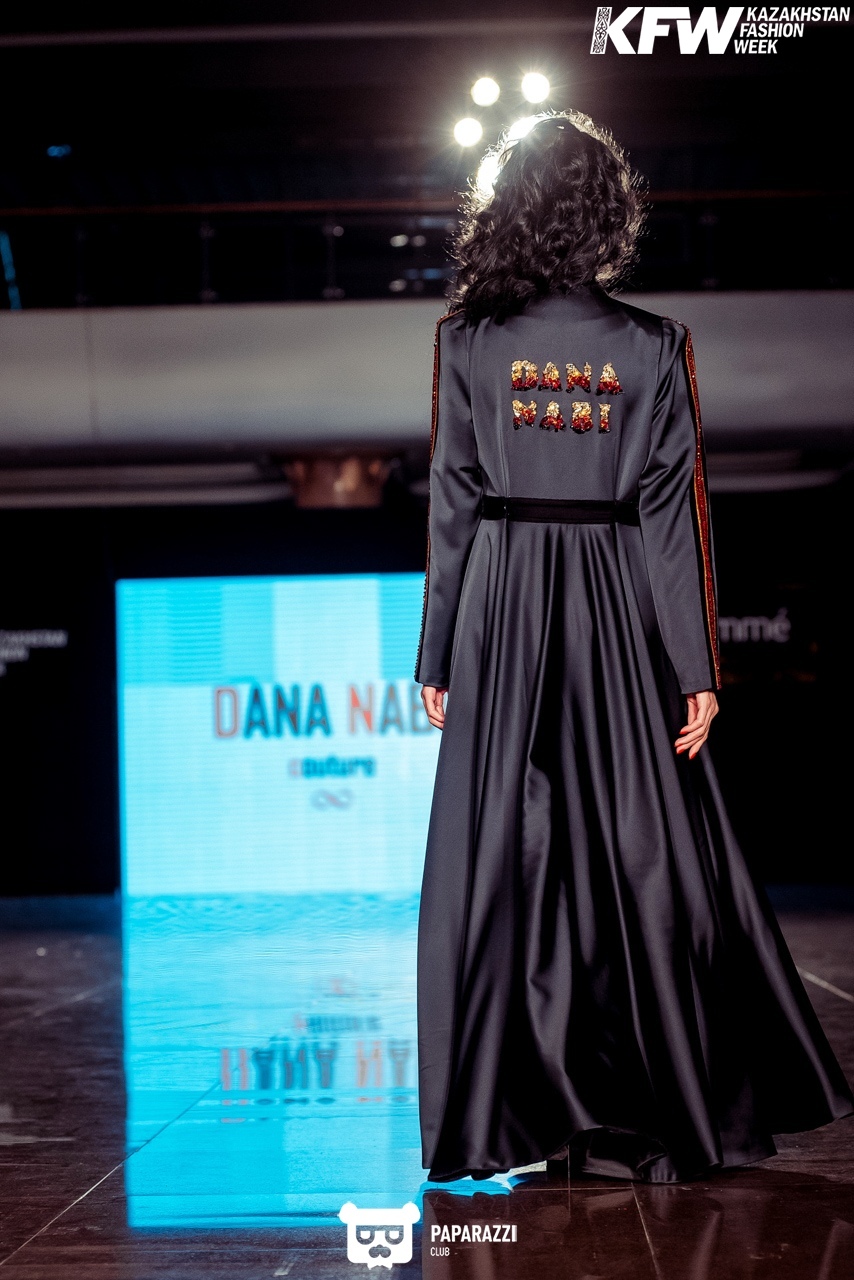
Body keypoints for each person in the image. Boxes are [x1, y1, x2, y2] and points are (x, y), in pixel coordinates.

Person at [414, 111, 852, 1184]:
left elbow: (452, 504)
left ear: (506, 209)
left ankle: (521, 1108)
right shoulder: (654, 347)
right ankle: (651, 1101)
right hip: (616, 605)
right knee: (639, 850)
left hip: (505, 606)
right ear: (608, 215)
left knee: (510, 859)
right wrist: (694, 667)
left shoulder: (467, 341)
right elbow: (673, 517)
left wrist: (437, 652)